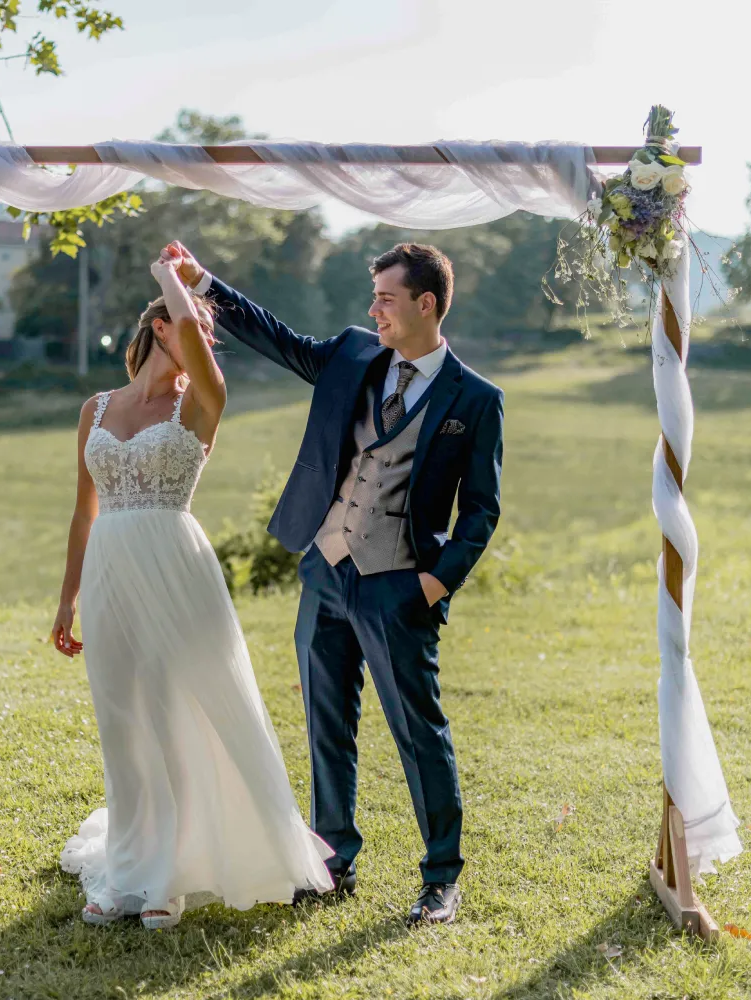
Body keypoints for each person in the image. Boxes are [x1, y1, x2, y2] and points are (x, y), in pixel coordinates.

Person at [161, 240, 504, 925]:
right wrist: (203, 282)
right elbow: (277, 338)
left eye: (386, 299)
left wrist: (434, 585)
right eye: (374, 298)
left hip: (399, 585)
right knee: (326, 723)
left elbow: (481, 510)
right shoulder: (351, 353)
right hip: (325, 568)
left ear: (426, 303)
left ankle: (441, 878)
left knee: (418, 732)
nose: (374, 309)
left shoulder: (476, 398)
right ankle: (332, 860)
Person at [50, 249, 333, 930]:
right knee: (120, 719)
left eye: (208, 335)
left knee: (172, 714)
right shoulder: (96, 409)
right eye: (195, 329)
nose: (206, 342)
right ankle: (125, 866)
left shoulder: (203, 402)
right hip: (109, 570)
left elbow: (203, 358)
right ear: (159, 329)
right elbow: (83, 513)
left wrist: (170, 278)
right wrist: (66, 598)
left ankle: (168, 875)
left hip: (175, 568)